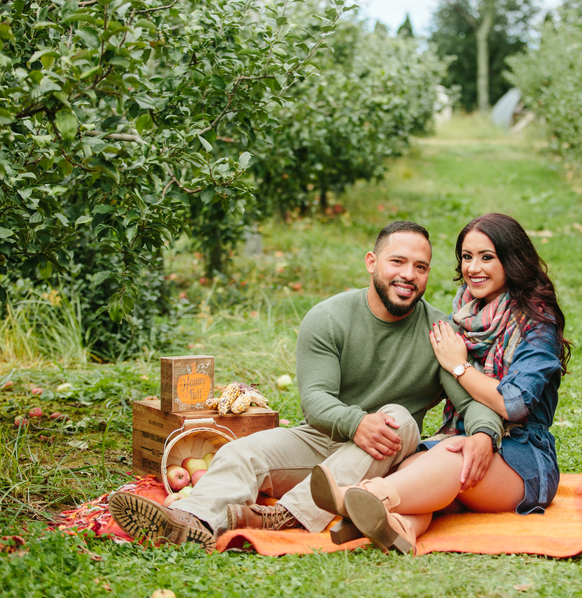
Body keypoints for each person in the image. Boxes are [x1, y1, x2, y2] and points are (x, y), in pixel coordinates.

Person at [108, 221, 503, 551]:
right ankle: (192, 522)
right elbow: (315, 401)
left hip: (390, 453)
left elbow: (471, 399)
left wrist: (485, 434)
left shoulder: (438, 332)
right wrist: (354, 423)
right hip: (324, 437)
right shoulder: (328, 317)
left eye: (421, 267)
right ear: (372, 262)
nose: (408, 275)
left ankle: (283, 515)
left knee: (397, 418)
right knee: (242, 452)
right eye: (397, 261)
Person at [311, 213, 571, 554]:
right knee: (413, 468)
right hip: (465, 436)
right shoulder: (462, 318)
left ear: (512, 260)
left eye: (487, 257)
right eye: (466, 257)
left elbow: (515, 403)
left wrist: (460, 366)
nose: (473, 267)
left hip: (522, 454)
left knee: (449, 462)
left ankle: (360, 497)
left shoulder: (538, 323)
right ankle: (400, 527)